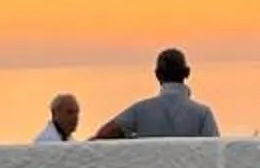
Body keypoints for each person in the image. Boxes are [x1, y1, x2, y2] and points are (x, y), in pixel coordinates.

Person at [93, 48, 221, 139]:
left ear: (157, 74)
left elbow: (104, 134)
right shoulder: (202, 114)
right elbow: (214, 150)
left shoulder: (139, 110)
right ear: (187, 72)